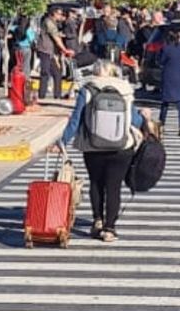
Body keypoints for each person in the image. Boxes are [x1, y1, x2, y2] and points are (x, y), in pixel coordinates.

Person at [53, 60, 145, 242]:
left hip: (93, 146)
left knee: (96, 183)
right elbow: (135, 121)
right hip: (122, 146)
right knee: (114, 187)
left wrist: (62, 141)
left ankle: (97, 220)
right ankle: (110, 229)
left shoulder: (87, 90)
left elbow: (75, 120)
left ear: (95, 73)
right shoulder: (125, 90)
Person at [37, 7, 72, 100]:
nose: (61, 16)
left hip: (51, 52)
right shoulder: (48, 22)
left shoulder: (54, 23)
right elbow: (56, 38)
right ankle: (42, 95)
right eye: (59, 14)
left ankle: (57, 95)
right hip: (45, 50)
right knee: (45, 72)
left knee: (57, 73)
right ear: (54, 13)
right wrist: (65, 50)